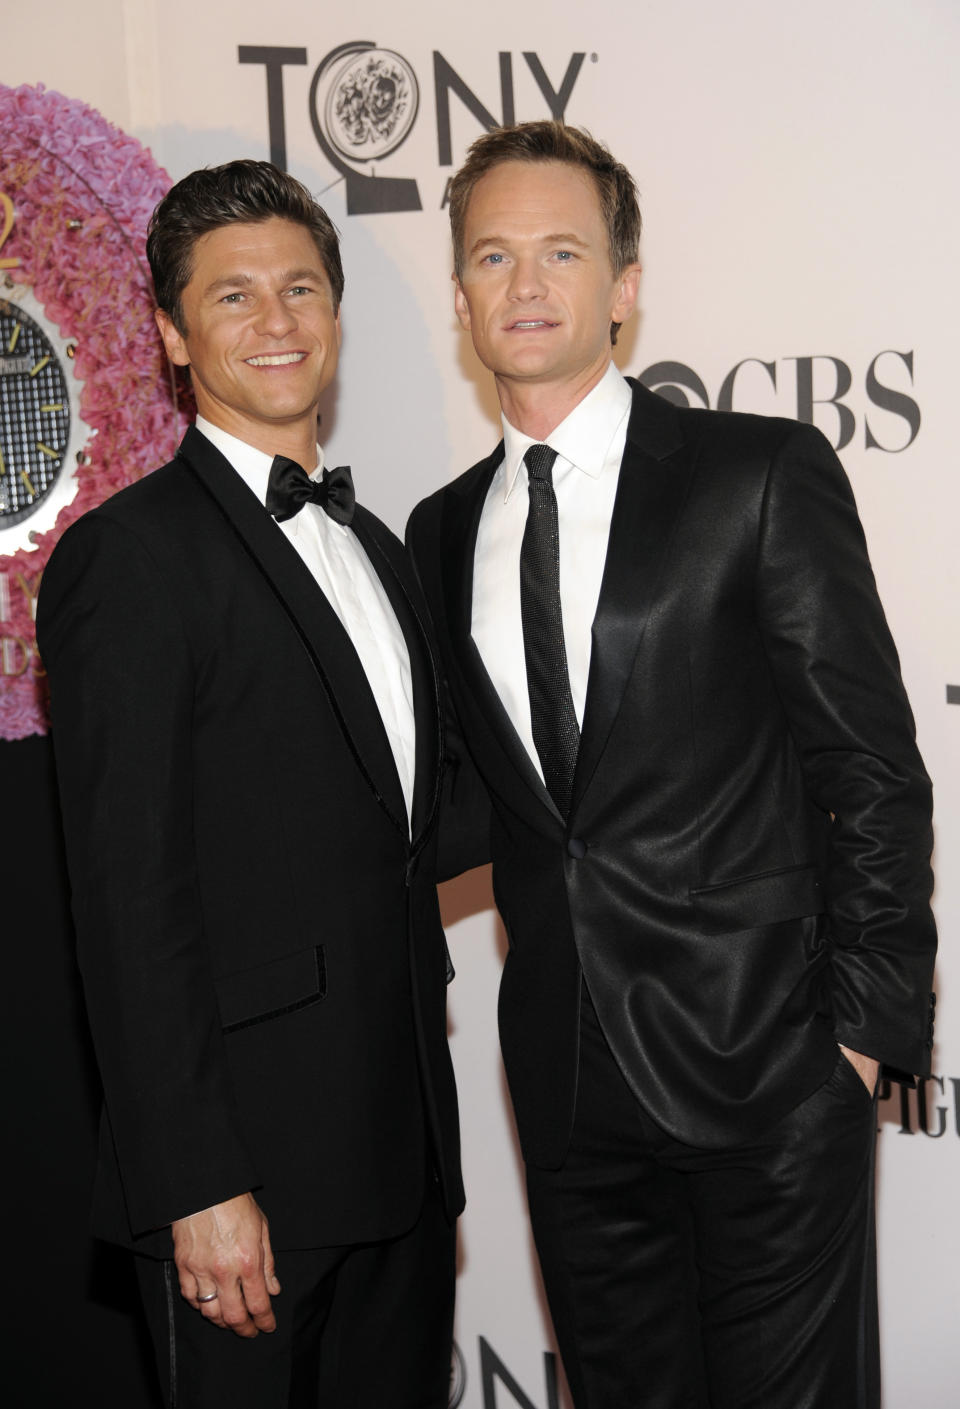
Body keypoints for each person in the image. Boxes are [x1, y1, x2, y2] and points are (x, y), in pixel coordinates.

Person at [407, 121, 937, 1409]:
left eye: (562, 252)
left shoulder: (754, 475)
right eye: (493, 256)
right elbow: (477, 803)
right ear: (463, 292)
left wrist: (858, 1041)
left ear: (623, 288)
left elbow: (869, 762)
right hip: (571, 1086)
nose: (526, 285)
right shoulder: (438, 529)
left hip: (770, 1073)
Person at [38, 159, 463, 1409]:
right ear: (171, 332)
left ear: (335, 310)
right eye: (231, 298)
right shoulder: (129, 560)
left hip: (404, 1155)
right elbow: (127, 901)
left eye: (300, 289)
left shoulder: (378, 548)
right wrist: (194, 1180)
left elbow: (406, 832)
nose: (275, 323)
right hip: (248, 1183)